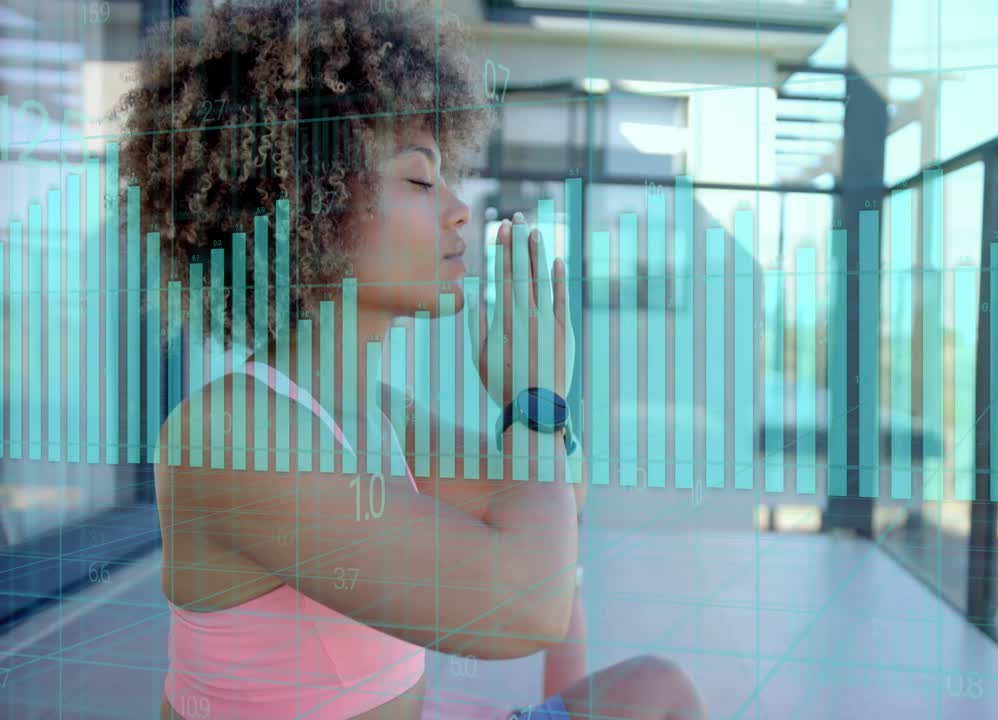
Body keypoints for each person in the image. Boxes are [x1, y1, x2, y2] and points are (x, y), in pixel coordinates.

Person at [113, 1, 709, 718]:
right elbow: (525, 609)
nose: (460, 209)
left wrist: (535, 404)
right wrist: (534, 402)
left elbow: (562, 496)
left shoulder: (375, 411)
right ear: (307, 208)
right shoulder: (233, 433)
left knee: (658, 689)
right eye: (422, 180)